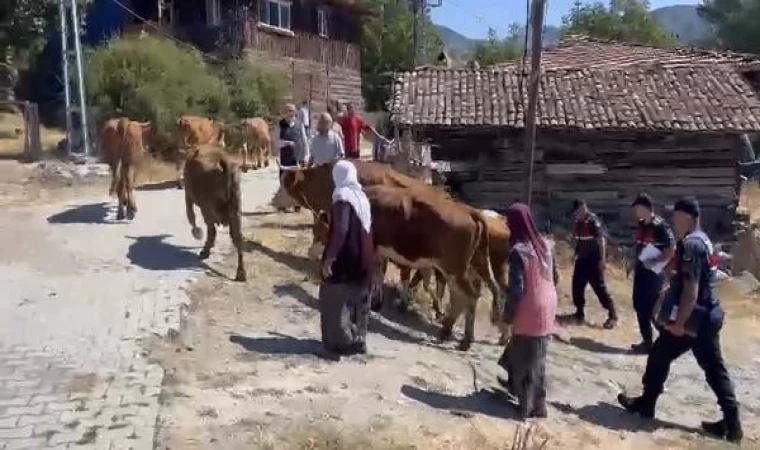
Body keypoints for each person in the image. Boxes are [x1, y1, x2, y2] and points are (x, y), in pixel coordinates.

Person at [618, 197, 743, 444]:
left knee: (706, 367)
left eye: (676, 215)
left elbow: (691, 289)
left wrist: (679, 323)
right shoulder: (702, 240)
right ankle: (730, 423)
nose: (673, 220)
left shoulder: (691, 245)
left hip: (697, 318)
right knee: (666, 356)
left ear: (687, 216)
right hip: (706, 313)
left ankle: (732, 424)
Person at [495, 203, 558, 419]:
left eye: (508, 222)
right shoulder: (546, 245)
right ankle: (518, 388)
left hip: (530, 306)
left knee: (527, 360)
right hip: (548, 301)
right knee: (534, 354)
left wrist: (507, 317)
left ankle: (530, 408)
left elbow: (517, 290)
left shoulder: (519, 252)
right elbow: (555, 277)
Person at [319, 160, 376, 356]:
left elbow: (341, 230)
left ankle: (341, 342)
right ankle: (359, 339)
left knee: (332, 296)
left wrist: (330, 258)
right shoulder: (361, 196)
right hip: (366, 258)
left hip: (348, 257)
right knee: (360, 300)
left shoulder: (342, 197)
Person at [629, 194, 676, 354]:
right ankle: (647, 342)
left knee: (651, 309)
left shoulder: (661, 226)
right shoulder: (641, 224)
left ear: (647, 209)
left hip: (654, 274)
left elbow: (671, 249)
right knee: (638, 305)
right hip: (641, 270)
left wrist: (656, 263)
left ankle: (668, 340)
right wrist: (632, 263)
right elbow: (639, 246)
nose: (636, 213)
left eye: (638, 209)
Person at [571, 200, 618, 329]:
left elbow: (601, 240)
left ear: (584, 207)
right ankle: (579, 313)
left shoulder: (593, 221)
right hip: (582, 260)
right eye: (577, 211)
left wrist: (602, 260)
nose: (580, 212)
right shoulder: (578, 222)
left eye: (582, 209)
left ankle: (612, 315)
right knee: (577, 287)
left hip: (593, 260)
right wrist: (575, 253)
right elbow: (578, 239)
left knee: (600, 288)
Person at [277, 104, 307, 212]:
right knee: (284, 182)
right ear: (284, 112)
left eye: (292, 111)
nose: (290, 113)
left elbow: (304, 141)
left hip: (297, 158)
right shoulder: (280, 125)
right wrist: (287, 143)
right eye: (288, 111)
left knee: (297, 183)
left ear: (295, 112)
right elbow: (276, 142)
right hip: (285, 159)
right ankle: (283, 204)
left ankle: (297, 205)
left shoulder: (300, 125)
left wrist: (306, 156)